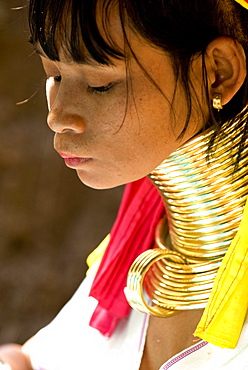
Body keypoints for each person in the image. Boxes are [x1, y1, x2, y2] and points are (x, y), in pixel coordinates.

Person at [0, 0, 248, 368]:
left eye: (100, 84)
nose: (57, 116)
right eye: (55, 77)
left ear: (217, 73)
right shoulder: (132, 259)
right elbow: (26, 360)